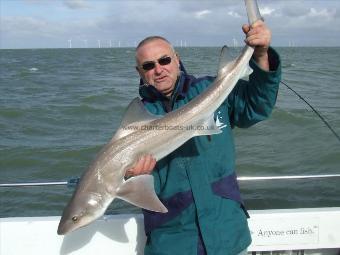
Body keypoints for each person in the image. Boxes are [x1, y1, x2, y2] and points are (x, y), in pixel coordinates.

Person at [126, 20, 281, 255]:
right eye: (149, 65)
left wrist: (260, 55)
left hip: (227, 233)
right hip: (172, 242)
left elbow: (256, 108)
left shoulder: (212, 89)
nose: (159, 69)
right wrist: (134, 179)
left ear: (177, 59)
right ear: (140, 72)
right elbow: (123, 180)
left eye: (165, 60)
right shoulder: (137, 122)